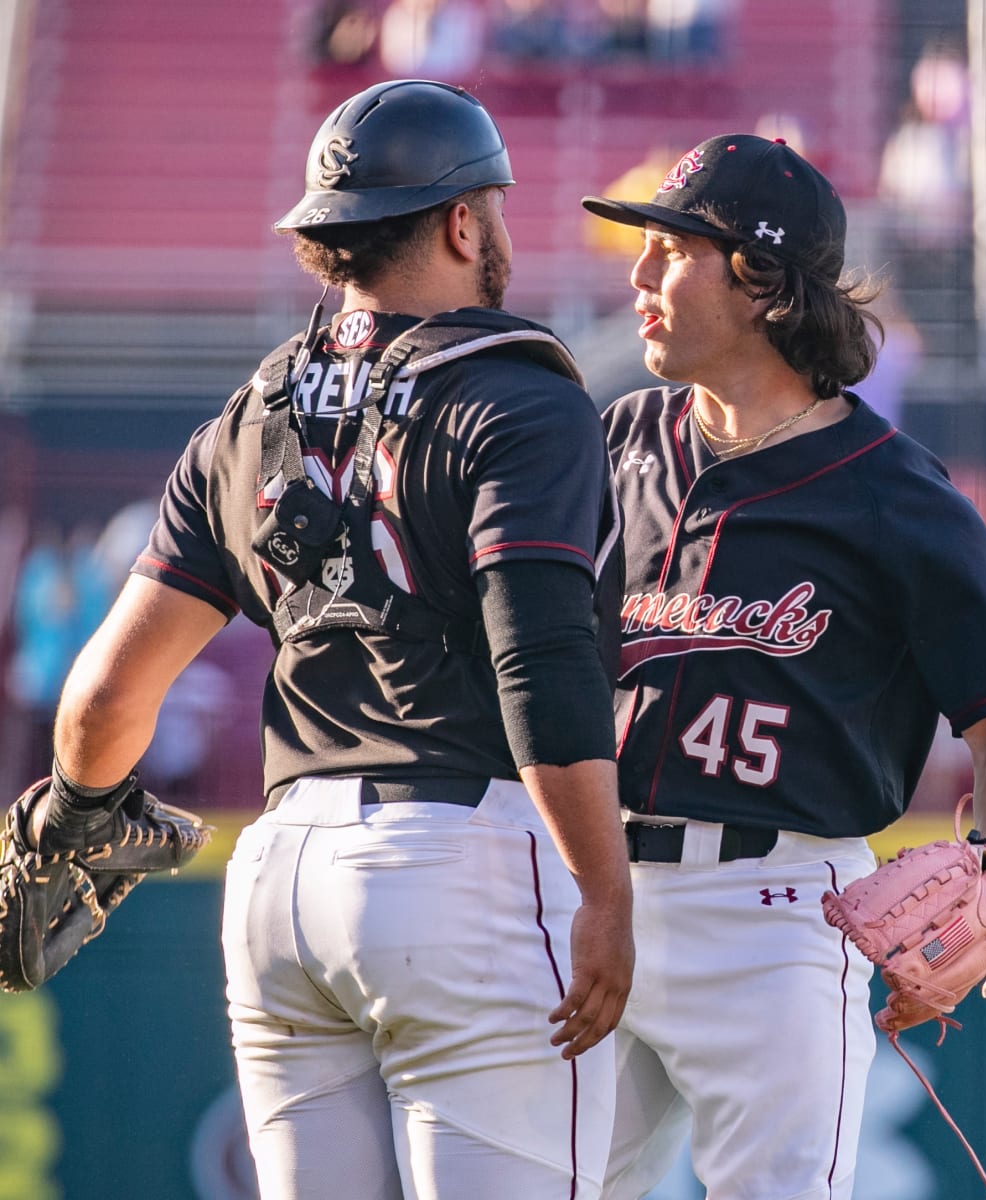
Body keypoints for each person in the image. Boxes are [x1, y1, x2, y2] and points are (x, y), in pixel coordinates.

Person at [27, 79, 633, 1200]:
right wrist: (606, 886)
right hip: (466, 859)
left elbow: (108, 697)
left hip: (279, 879)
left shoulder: (245, 421)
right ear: (462, 221)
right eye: (490, 205)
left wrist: (70, 815)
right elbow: (539, 661)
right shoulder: (516, 396)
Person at [580, 134, 986, 1199]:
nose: (639, 276)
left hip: (778, 910)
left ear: (758, 277)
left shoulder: (899, 496)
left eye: (669, 249)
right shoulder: (620, 441)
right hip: (597, 890)